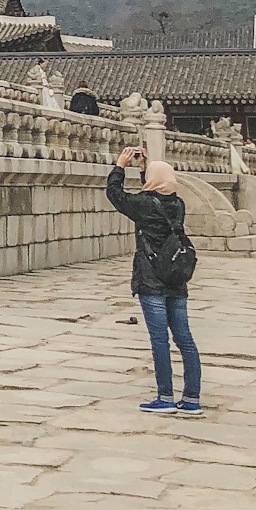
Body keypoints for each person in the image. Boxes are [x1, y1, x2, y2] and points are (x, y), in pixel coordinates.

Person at [108, 147, 202, 415]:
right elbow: (153, 193)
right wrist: (142, 169)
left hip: (152, 279)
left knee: (160, 339)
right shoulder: (178, 204)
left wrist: (120, 167)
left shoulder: (144, 206)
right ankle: (192, 398)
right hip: (176, 278)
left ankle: (165, 397)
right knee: (185, 339)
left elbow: (116, 195)